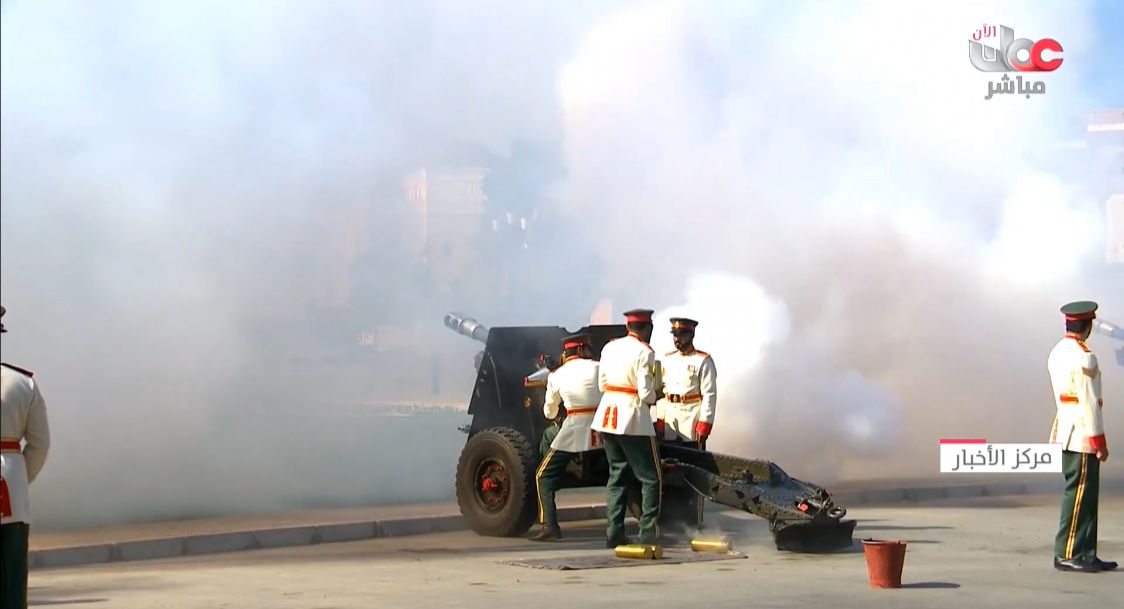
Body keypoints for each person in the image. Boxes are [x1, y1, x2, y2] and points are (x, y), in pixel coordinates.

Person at [1047, 300, 1115, 573]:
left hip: (1066, 430)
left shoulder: (1058, 352)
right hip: (1082, 434)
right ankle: (1067, 553)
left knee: (1085, 497)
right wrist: (1099, 440)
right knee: (1078, 496)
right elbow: (1089, 401)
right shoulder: (1085, 356)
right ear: (1087, 326)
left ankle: (1086, 552)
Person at [591, 308, 662, 547]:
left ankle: (614, 534)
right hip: (633, 419)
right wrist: (656, 395)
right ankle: (648, 534)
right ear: (647, 328)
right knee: (651, 478)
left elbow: (602, 385)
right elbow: (646, 394)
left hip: (607, 416)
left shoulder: (609, 347)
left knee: (617, 477)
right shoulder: (645, 351)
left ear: (627, 327)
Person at [529, 333, 603, 541]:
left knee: (542, 476)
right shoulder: (600, 367)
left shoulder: (556, 375)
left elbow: (549, 414)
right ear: (581, 350)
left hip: (575, 428)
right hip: (603, 429)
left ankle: (549, 526)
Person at [1, 306, 52, 609]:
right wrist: (20, 476)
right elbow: (40, 444)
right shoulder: (23, 383)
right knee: (10, 575)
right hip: (12, 490)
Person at [654, 317, 717, 529]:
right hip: (671, 417)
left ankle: (694, 520)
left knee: (694, 473)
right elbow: (662, 393)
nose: (677, 339)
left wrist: (705, 423)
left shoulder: (703, 360)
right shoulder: (666, 359)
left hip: (691, 418)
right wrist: (661, 420)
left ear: (691, 335)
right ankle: (671, 518)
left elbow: (710, 395)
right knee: (670, 471)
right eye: (674, 334)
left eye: (681, 335)